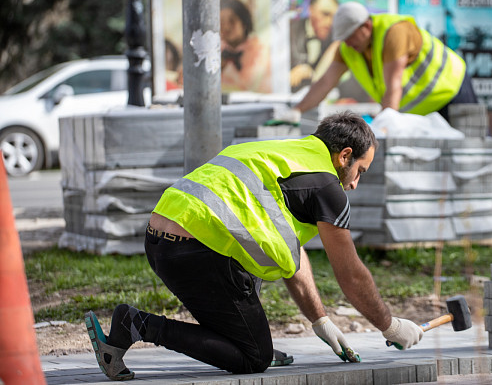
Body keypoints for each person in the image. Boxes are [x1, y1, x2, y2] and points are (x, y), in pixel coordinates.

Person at [83, 111, 423, 381]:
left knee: (250, 277)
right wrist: (390, 326)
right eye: (360, 171)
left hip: (161, 240)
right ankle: (137, 324)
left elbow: (290, 251)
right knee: (252, 358)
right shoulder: (327, 186)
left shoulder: (279, 154)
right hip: (199, 253)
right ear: (344, 155)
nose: (355, 184)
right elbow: (351, 274)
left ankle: (242, 336)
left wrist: (320, 321)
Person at [280, 1, 492, 235]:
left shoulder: (394, 32)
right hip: (419, 107)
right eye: (344, 39)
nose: (349, 44)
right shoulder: (348, 50)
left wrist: (383, 128)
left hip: (450, 89)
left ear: (366, 26)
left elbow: (393, 86)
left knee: (476, 151)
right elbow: (324, 83)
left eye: (352, 37)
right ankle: (457, 221)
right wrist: (297, 111)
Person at [219, 0, 271, 93]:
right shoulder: (215, 51)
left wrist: (227, 68)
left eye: (232, 21)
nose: (226, 27)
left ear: (244, 23)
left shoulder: (259, 51)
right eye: (221, 22)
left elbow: (250, 86)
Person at [290, 0, 340, 92]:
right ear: (311, 10)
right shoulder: (290, 31)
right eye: (325, 14)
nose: (330, 22)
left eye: (334, 17)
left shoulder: (336, 39)